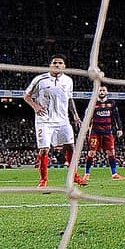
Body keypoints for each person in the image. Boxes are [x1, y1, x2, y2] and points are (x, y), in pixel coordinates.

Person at [23, 54, 86, 189]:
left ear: (64, 66)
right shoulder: (40, 80)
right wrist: (36, 107)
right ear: (50, 65)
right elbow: (26, 96)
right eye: (55, 63)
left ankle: (74, 175)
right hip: (44, 120)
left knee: (71, 147)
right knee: (44, 150)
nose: (57, 65)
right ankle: (43, 180)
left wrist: (75, 115)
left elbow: (70, 99)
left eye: (60, 63)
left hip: (63, 120)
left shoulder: (68, 81)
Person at [83, 85, 125, 181]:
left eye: (103, 90)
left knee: (111, 152)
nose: (101, 92)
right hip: (95, 132)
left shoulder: (111, 103)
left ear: (107, 92)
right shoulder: (93, 103)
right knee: (91, 153)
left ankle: (114, 174)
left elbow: (116, 117)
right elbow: (88, 117)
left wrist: (120, 129)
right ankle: (87, 174)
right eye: (100, 90)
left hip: (108, 132)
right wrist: (86, 128)